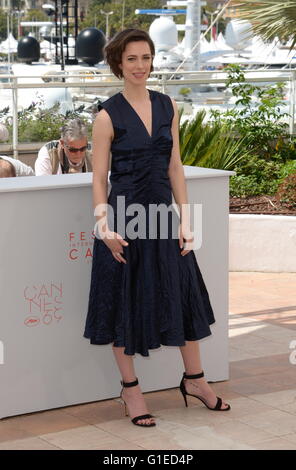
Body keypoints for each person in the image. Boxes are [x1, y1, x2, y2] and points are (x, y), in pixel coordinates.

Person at [84, 29, 230, 428]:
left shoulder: (168, 106)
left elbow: (175, 166)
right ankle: (131, 391)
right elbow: (99, 178)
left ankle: (196, 381)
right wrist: (103, 226)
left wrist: (186, 218)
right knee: (122, 304)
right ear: (119, 63)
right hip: (125, 220)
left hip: (164, 219)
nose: (140, 66)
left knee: (181, 296)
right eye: (131, 59)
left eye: (146, 58)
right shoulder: (106, 114)